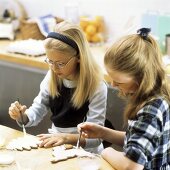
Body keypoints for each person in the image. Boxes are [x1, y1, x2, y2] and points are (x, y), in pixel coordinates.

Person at [8, 21, 107, 153]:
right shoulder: (52, 77)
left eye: (60, 63)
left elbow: (96, 138)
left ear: (79, 57)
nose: (54, 69)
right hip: (59, 148)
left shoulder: (96, 86)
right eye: (50, 61)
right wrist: (21, 116)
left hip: (88, 155)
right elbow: (36, 112)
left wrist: (66, 138)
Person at [78, 28, 170, 169]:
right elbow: (139, 141)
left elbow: (131, 166)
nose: (113, 84)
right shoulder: (156, 96)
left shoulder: (150, 111)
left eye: (119, 81)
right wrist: (103, 133)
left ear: (141, 77)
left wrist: (106, 151)